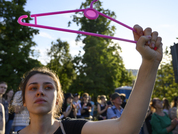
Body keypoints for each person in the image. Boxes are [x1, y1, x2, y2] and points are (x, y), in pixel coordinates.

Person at [17, 25, 163, 134]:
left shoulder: (72, 129)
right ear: (23, 99)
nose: (40, 92)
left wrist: (149, 64)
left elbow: (125, 128)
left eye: (48, 87)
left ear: (58, 98)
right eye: (33, 88)